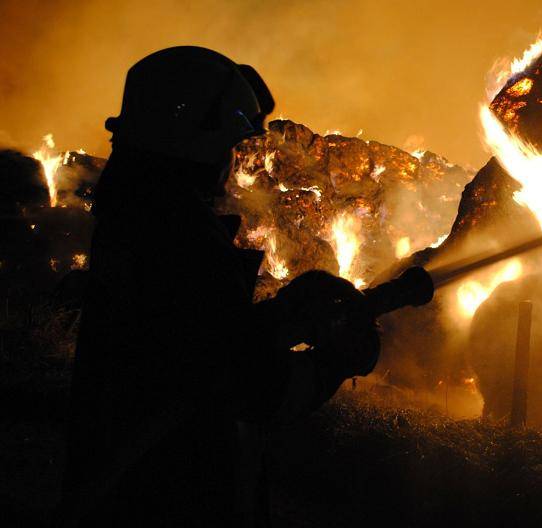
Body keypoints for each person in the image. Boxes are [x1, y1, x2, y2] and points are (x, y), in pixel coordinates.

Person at [58, 46, 379, 527]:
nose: (232, 163)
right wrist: (333, 362)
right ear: (194, 143)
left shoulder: (136, 213)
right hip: (173, 492)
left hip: (126, 482)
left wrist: (282, 311)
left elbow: (198, 340)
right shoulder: (181, 237)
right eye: (228, 147)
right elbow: (251, 386)